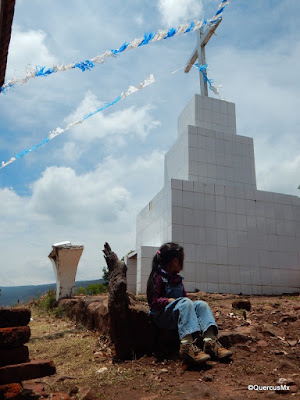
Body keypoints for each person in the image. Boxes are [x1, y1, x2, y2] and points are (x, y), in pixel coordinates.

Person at [147, 242, 232, 365]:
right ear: (176, 261)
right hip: (162, 316)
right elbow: (153, 303)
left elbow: (185, 299)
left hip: (178, 312)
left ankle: (210, 341)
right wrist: (168, 301)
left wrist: (191, 309)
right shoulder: (158, 277)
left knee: (201, 305)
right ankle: (187, 346)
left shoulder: (177, 279)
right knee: (185, 302)